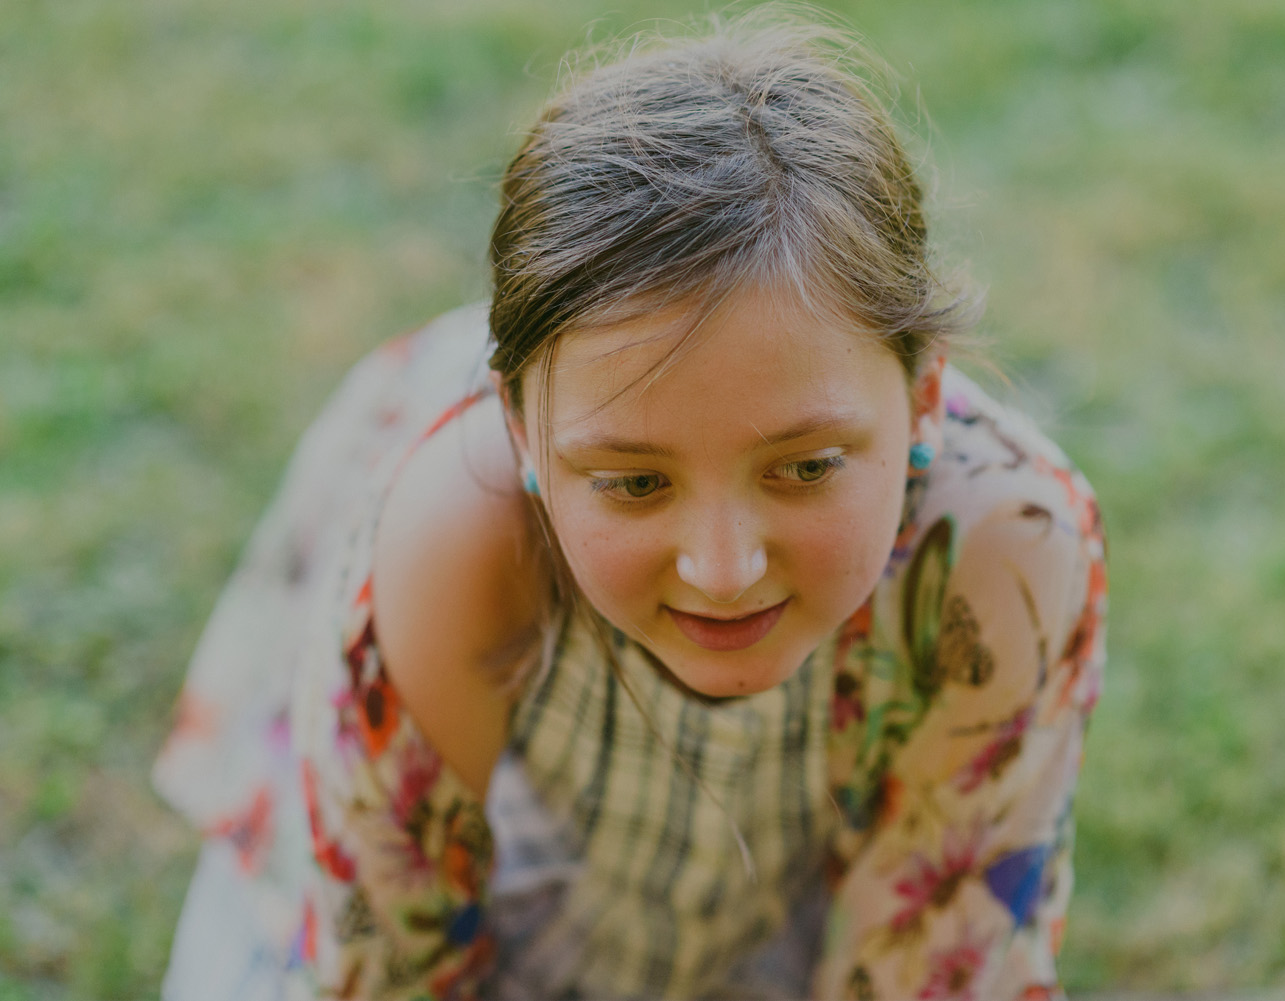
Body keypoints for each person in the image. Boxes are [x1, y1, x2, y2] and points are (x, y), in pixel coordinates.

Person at [153, 10, 1107, 1000]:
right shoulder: (454, 539)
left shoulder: (1004, 550)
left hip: (792, 885)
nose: (724, 568)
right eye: (635, 482)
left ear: (921, 395)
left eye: (809, 466)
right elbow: (390, 963)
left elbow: (932, 968)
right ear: (523, 433)